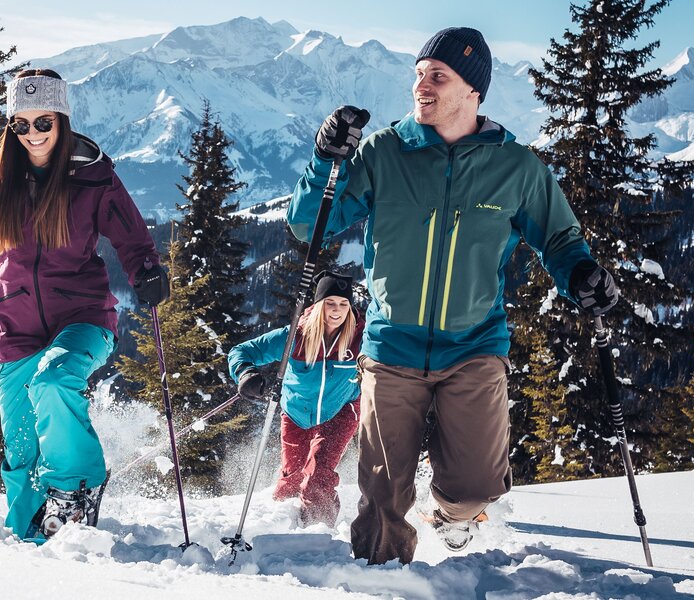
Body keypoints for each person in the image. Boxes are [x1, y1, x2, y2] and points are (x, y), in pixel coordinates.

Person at [289, 27, 623, 565]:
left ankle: (450, 514)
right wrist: (325, 162)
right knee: (380, 505)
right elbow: (310, 226)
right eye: (418, 75)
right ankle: (381, 579)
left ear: (474, 91)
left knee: (473, 488)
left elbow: (560, 239)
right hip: (391, 347)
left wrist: (581, 272)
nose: (422, 85)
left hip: (473, 346)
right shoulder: (383, 152)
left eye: (437, 76)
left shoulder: (517, 168)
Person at [0, 69, 166, 542]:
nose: (32, 134)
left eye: (42, 122)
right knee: (21, 449)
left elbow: (132, 236)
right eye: (20, 125)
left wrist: (146, 270)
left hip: (83, 316)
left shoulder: (91, 173)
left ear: (61, 119)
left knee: (55, 378)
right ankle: (34, 541)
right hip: (16, 323)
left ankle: (76, 489)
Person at [227, 270, 365, 527]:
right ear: (319, 304)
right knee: (291, 482)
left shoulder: (360, 337)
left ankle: (318, 534)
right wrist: (245, 373)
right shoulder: (297, 335)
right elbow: (243, 351)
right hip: (296, 411)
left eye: (344, 304)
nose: (337, 310)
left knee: (317, 478)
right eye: (330, 303)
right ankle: (284, 526)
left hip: (341, 409)